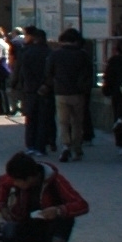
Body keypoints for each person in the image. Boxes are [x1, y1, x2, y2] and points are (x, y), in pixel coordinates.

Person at [0, 152, 89, 242]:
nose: (14, 184)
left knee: (66, 218)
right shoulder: (18, 179)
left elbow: (82, 205)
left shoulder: (55, 181)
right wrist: (2, 206)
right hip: (27, 225)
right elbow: (3, 183)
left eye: (17, 182)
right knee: (8, 230)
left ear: (29, 178)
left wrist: (59, 210)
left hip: (50, 230)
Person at [49, 28, 95, 161]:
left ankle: (65, 146)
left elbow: (49, 72)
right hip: (78, 93)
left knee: (63, 122)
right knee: (77, 122)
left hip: (60, 92)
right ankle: (77, 148)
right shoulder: (82, 55)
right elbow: (89, 73)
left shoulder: (55, 54)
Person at [13, 27, 55, 155]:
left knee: (31, 119)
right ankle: (42, 145)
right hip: (46, 90)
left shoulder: (26, 52)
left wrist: (17, 84)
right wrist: (46, 85)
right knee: (44, 119)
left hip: (30, 90)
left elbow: (21, 71)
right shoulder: (49, 52)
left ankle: (31, 145)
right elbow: (52, 72)